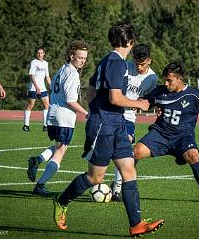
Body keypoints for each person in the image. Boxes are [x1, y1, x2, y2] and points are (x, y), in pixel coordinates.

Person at [52, 22, 165, 237]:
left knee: (129, 170)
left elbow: (92, 90)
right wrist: (139, 104)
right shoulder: (116, 63)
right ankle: (62, 200)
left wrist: (99, 108)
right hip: (104, 126)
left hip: (116, 124)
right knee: (95, 178)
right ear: (130, 42)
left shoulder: (107, 60)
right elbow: (114, 97)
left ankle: (136, 224)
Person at [133, 62, 199, 203]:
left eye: (170, 80)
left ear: (179, 80)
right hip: (160, 134)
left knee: (193, 155)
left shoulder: (193, 95)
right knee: (135, 152)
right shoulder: (160, 91)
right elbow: (143, 102)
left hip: (183, 137)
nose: (166, 84)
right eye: (165, 80)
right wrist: (135, 105)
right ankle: (122, 187)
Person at [26, 41, 89, 195]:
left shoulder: (62, 69)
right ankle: (40, 185)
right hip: (64, 117)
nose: (82, 61)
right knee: (61, 151)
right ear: (71, 55)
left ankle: (38, 160)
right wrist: (87, 113)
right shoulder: (72, 74)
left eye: (85, 58)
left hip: (52, 115)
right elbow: (70, 101)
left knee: (59, 146)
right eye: (80, 57)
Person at [110, 43, 158, 201]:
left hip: (129, 116)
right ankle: (96, 178)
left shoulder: (152, 78)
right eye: (136, 62)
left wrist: (148, 104)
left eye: (142, 64)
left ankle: (116, 188)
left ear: (149, 61)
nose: (138, 66)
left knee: (125, 144)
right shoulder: (124, 67)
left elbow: (148, 99)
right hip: (114, 112)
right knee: (104, 148)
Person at [22, 47, 51, 132]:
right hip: (34, 88)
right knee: (31, 105)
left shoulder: (46, 63)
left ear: (44, 54)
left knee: (47, 105)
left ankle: (45, 126)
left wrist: (52, 86)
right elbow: (32, 75)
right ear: (36, 54)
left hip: (43, 88)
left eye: (41, 53)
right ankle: (26, 125)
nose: (40, 54)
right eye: (38, 53)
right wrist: (37, 87)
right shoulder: (34, 62)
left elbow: (47, 76)